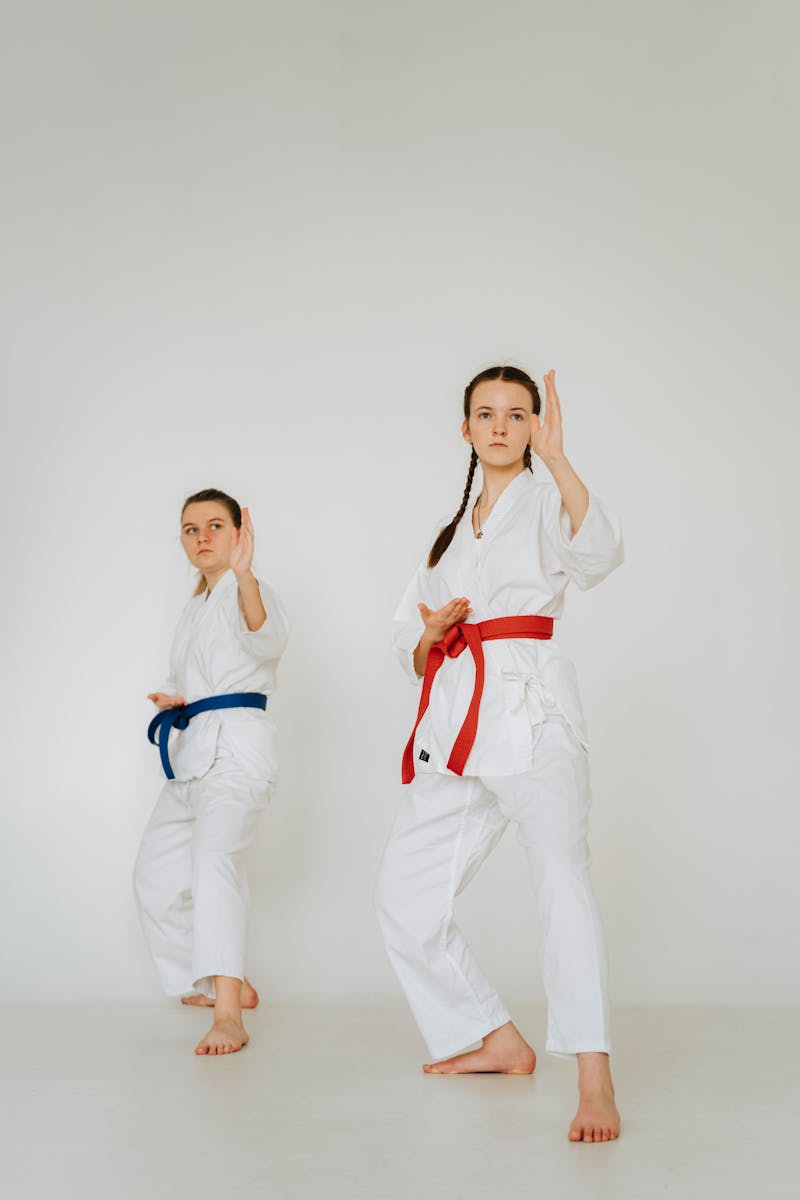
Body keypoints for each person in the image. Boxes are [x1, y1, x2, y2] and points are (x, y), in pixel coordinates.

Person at [375, 366, 624, 1141]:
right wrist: (432, 632)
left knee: (562, 887)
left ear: (533, 428)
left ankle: (594, 1078)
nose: (501, 426)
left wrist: (560, 460)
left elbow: (600, 555)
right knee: (403, 897)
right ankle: (494, 1037)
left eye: (518, 415)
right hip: (458, 722)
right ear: (466, 429)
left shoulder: (548, 502)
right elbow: (411, 649)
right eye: (486, 413)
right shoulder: (447, 532)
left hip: (532, 716)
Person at [134, 488, 288, 1056]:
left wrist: (245, 578)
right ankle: (217, 982)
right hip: (192, 752)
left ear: (238, 535)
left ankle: (229, 1015)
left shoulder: (251, 590)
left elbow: (267, 639)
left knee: (214, 867)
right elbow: (197, 677)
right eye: (191, 528)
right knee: (153, 876)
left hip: (237, 753)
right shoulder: (194, 606)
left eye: (215, 525)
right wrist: (177, 700)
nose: (202, 537)